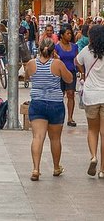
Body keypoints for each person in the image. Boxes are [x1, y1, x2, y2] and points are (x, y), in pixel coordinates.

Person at [25, 38, 72, 181]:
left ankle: (35, 169)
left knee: (37, 137)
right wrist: (58, 60)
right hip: (55, 104)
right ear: (53, 51)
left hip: (37, 103)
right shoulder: (57, 64)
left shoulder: (31, 64)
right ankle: (56, 167)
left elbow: (27, 77)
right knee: (55, 138)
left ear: (39, 49)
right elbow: (69, 79)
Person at [76, 25, 104, 178]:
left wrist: (83, 72)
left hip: (91, 95)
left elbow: (76, 60)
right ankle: (102, 170)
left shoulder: (86, 50)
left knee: (92, 130)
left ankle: (93, 157)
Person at [55, 26, 78, 127]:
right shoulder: (56, 47)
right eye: (67, 33)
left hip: (71, 72)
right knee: (60, 95)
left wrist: (82, 73)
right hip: (59, 74)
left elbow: (77, 60)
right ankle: (59, 117)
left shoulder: (74, 46)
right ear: (62, 35)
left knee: (71, 93)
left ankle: (70, 118)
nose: (70, 35)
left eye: (70, 33)